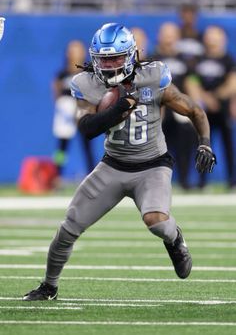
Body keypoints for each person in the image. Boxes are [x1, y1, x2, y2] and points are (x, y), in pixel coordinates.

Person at [23, 23, 216, 301]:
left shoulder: (152, 76)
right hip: (112, 166)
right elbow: (87, 128)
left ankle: (175, 240)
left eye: (115, 58)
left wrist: (205, 143)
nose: (110, 65)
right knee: (68, 228)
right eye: (103, 59)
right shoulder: (86, 83)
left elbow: (194, 109)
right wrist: (118, 109)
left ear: (131, 55)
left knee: (157, 222)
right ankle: (49, 286)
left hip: (152, 165)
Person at [185, 25, 236, 188]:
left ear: (223, 39)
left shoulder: (228, 59)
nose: (212, 39)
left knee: (228, 145)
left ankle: (232, 180)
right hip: (203, 111)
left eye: (216, 36)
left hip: (223, 109)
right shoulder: (197, 60)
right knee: (203, 145)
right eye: (210, 35)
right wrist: (206, 99)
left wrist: (217, 96)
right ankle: (201, 181)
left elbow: (233, 82)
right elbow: (191, 82)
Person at [150, 22, 199, 189]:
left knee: (185, 143)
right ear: (159, 37)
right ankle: (155, 181)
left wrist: (193, 106)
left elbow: (191, 82)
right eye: (166, 34)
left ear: (177, 37)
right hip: (158, 106)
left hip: (179, 107)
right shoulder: (152, 58)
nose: (169, 39)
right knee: (156, 146)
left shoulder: (185, 60)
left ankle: (185, 180)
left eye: (172, 35)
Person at [52, 40, 95, 179]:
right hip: (65, 113)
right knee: (61, 148)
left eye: (78, 50)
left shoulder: (88, 72)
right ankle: (57, 174)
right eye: (72, 51)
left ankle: (92, 174)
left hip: (82, 111)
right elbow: (56, 91)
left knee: (87, 146)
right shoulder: (62, 74)